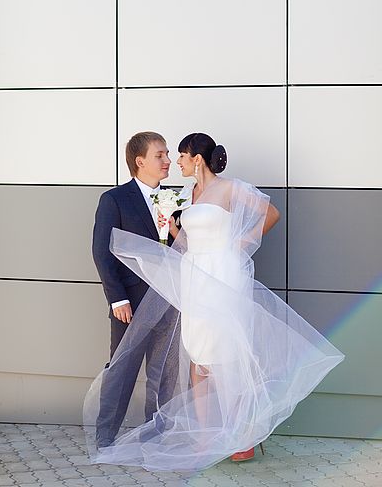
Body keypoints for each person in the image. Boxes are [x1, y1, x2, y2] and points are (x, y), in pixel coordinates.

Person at [84, 133, 344, 472]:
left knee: (227, 352)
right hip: (194, 274)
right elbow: (185, 240)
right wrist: (173, 232)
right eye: (166, 155)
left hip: (222, 273)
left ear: (197, 158)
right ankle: (206, 435)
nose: (174, 162)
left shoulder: (230, 187)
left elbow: (271, 213)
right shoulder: (186, 195)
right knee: (199, 354)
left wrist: (240, 244)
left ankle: (242, 433)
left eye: (179, 156)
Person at [90, 131, 181, 449]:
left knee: (164, 371)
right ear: (140, 161)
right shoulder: (114, 199)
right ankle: (106, 433)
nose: (168, 160)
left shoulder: (171, 199)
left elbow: (174, 250)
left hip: (168, 299)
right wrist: (118, 298)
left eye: (168, 154)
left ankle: (157, 432)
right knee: (122, 367)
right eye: (160, 155)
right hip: (130, 303)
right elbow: (102, 252)